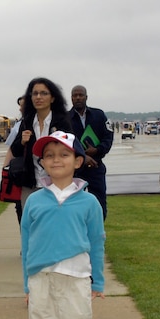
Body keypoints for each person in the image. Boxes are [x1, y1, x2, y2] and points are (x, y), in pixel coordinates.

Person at [20, 130, 105, 319]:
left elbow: (96, 241)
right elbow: (26, 243)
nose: (56, 160)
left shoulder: (88, 203)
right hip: (41, 278)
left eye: (64, 154)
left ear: (78, 161)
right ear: (42, 162)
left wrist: (99, 279)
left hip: (76, 278)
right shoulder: (35, 201)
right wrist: (26, 283)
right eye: (49, 155)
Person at [8, 77, 72, 208]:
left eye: (44, 93)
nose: (38, 97)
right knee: (31, 221)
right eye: (35, 93)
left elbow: (71, 149)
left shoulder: (61, 121)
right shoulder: (27, 121)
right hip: (31, 182)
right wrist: (22, 141)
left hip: (56, 182)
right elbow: (15, 151)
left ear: (53, 98)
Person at [69, 85, 113, 219]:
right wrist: (82, 156)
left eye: (80, 95)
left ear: (86, 97)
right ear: (71, 98)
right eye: (75, 95)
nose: (78, 98)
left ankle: (97, 233)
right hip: (75, 170)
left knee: (99, 204)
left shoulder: (99, 115)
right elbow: (64, 144)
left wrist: (97, 150)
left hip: (96, 166)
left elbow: (108, 137)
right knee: (74, 205)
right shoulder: (65, 119)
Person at [3, 96, 24, 225]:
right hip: (19, 170)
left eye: (23, 105)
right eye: (20, 105)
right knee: (20, 205)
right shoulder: (19, 124)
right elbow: (12, 148)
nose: (20, 108)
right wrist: (5, 168)